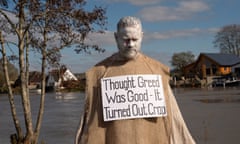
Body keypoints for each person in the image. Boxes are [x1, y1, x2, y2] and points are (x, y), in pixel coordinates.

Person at [75, 16, 195, 144]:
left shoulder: (157, 71)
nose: (130, 44)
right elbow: (88, 121)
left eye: (135, 39)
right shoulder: (99, 73)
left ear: (142, 36)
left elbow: (175, 121)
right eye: (126, 39)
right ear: (116, 38)